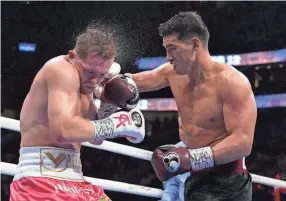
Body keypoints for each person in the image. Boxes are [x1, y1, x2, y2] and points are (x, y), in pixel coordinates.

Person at [130, 11, 257, 200]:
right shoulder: (172, 73)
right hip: (195, 178)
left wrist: (191, 159)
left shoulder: (232, 82)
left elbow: (243, 143)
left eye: (172, 48)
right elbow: (129, 83)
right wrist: (96, 71)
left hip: (229, 180)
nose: (168, 57)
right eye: (166, 49)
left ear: (195, 44)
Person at [10, 27, 145, 201]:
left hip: (75, 178)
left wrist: (108, 103)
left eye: (102, 75)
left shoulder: (86, 84)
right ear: (72, 56)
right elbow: (63, 131)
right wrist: (116, 124)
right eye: (90, 71)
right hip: (40, 179)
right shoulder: (61, 69)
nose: (94, 81)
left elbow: (95, 138)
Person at [160, 116, 190, 201]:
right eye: (181, 127)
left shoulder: (213, 150)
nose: (184, 132)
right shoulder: (173, 152)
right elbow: (172, 185)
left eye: (187, 127)